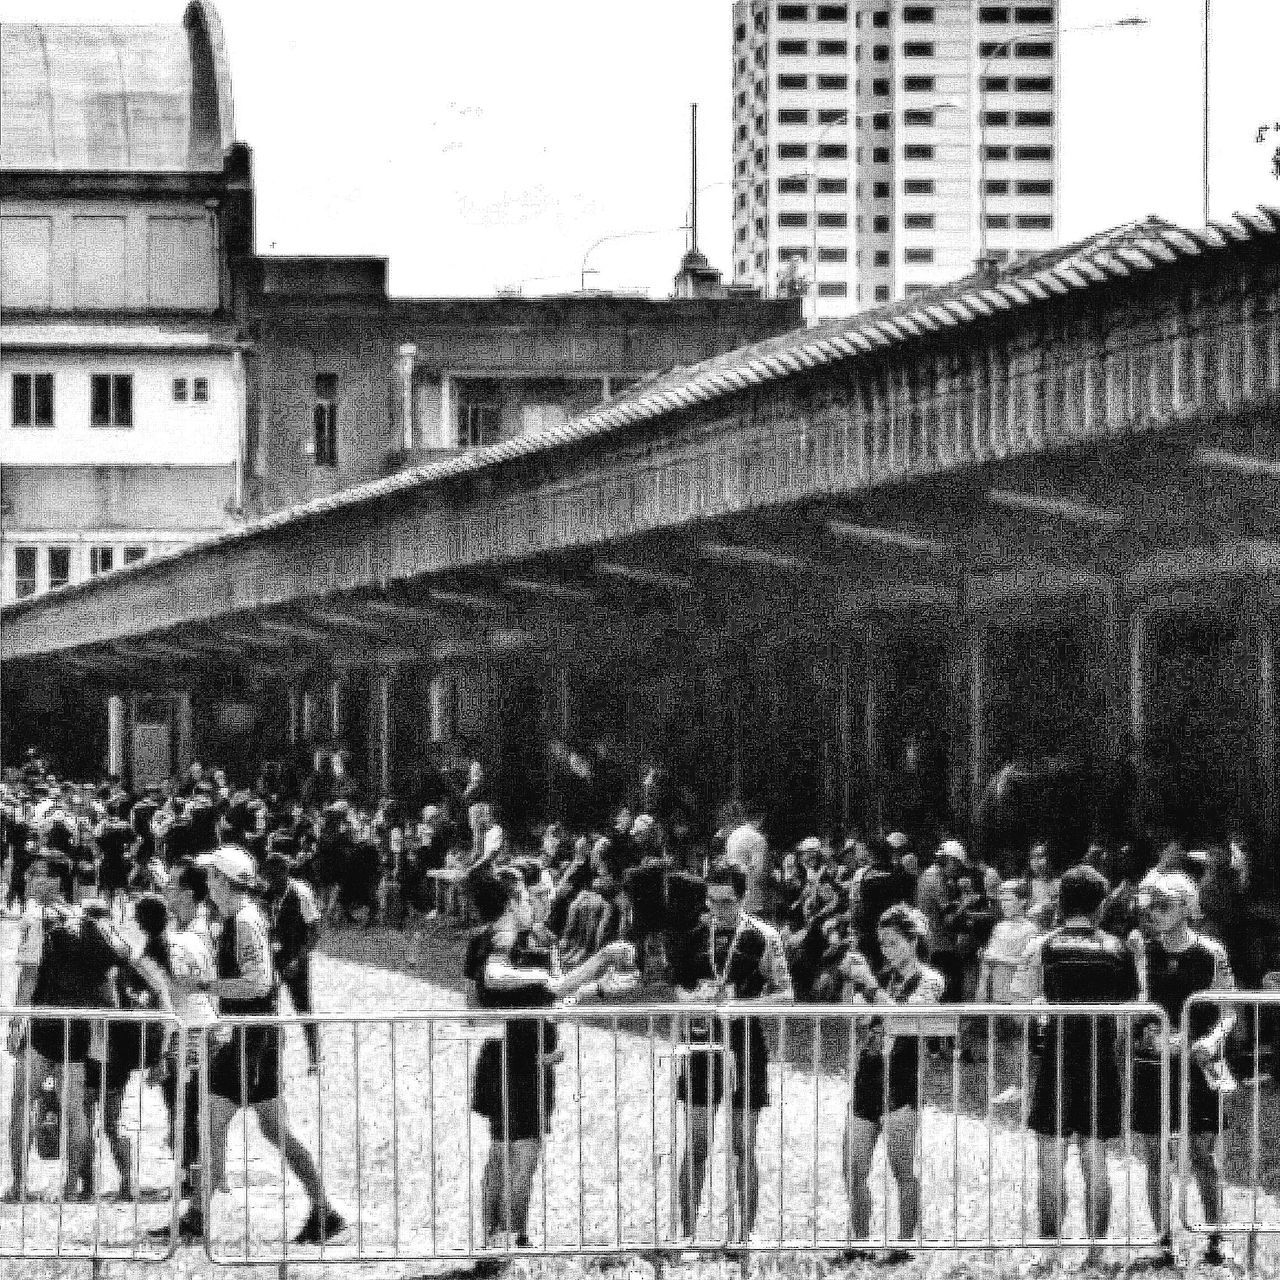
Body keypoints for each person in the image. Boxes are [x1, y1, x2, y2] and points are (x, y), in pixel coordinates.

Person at [465, 865, 634, 1274]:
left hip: (503, 1055)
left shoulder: (493, 940)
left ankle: (493, 1243)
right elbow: (543, 988)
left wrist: (594, 989)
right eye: (531, 895)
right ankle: (512, 1245)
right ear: (511, 902)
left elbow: (493, 1007)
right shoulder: (511, 941)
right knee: (520, 1155)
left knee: (501, 1151)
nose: (538, 901)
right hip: (520, 1060)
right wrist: (597, 963)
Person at [182, 846, 346, 1245]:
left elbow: (258, 983)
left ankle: (198, 1214)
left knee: (211, 1119)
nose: (206, 882)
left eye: (212, 875)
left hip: (249, 1035)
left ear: (223, 880)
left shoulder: (243, 921)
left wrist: (204, 986)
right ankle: (325, 1210)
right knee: (273, 1129)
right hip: (255, 1034)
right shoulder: (239, 918)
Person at [670, 859, 794, 1260]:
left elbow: (786, 995)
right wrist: (695, 1000)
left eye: (726, 902)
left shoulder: (762, 936)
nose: (717, 910)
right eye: (712, 901)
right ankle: (686, 1235)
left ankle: (743, 1236)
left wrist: (742, 1005)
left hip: (745, 1047)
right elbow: (678, 992)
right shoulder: (692, 935)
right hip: (702, 1046)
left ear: (742, 898)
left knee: (742, 1146)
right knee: (698, 1143)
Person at [1021, 865, 1142, 1274]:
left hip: (1056, 1060)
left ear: (1062, 900)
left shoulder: (1044, 946)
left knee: (1049, 1164)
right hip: (1100, 1062)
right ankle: (1095, 1252)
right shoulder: (1118, 948)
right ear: (1100, 903)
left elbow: (1027, 1002)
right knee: (1097, 1162)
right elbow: (1132, 1002)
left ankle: (1050, 1252)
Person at [1129, 871, 1236, 1271]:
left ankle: (1216, 1237)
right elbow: (1135, 1005)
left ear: (1187, 908)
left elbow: (1229, 1010)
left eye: (1165, 905)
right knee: (1156, 1155)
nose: (1154, 913)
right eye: (1150, 905)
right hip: (1153, 1065)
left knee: (1203, 1154)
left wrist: (1213, 1040)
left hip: (1199, 1065)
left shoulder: (1211, 952)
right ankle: (1163, 1240)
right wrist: (1148, 1033)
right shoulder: (1142, 949)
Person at [839, 906, 948, 1265]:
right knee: (853, 1166)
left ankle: (904, 1242)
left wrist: (870, 987)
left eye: (893, 943)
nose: (886, 950)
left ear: (913, 941)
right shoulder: (880, 975)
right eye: (882, 944)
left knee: (902, 1167)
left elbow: (904, 1019)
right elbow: (856, 1016)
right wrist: (852, 983)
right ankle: (859, 1240)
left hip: (902, 1080)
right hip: (868, 1074)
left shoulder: (930, 979)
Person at [263, 852, 323, 1073]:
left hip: (294, 958)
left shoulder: (300, 894)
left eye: (276, 877)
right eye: (268, 877)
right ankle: (269, 1060)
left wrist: (299, 958)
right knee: (267, 1008)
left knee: (303, 1007)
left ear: (286, 873)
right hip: (271, 959)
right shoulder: (267, 894)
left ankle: (315, 1057)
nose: (271, 882)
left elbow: (315, 930)